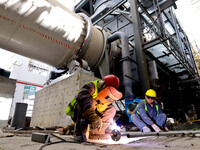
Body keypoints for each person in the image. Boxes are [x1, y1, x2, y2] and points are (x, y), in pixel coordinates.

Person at [65, 74, 122, 142]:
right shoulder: (91, 86)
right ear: (104, 85)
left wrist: (111, 124)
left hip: (94, 113)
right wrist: (94, 116)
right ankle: (79, 133)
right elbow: (81, 98)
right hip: (78, 113)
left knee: (112, 109)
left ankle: (97, 133)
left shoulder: (107, 94)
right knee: (88, 101)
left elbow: (104, 108)